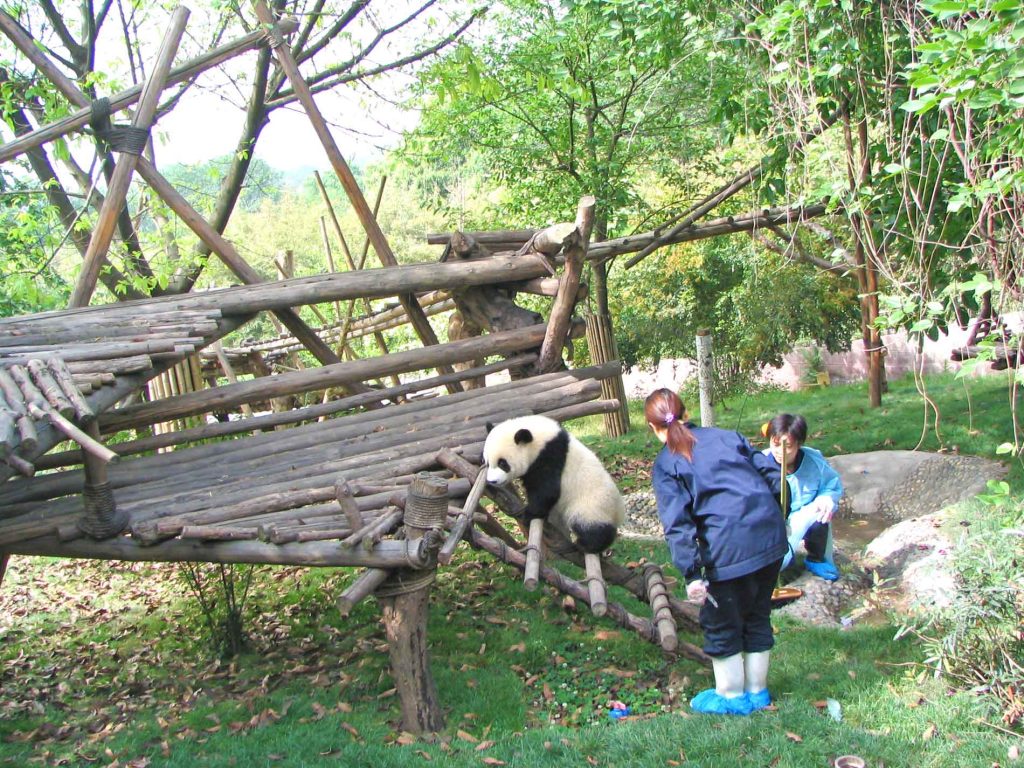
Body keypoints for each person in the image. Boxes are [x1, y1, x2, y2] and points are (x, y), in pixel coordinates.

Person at [645, 388, 788, 716]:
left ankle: (731, 697)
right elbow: (773, 478)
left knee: (721, 622)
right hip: (770, 538)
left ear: (653, 428)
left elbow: (677, 523)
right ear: (685, 412)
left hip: (728, 551)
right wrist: (782, 517)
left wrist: (692, 573)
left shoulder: (667, 463)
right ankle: (758, 692)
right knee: (757, 613)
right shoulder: (728, 436)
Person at [762, 414, 844, 582]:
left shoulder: (814, 461)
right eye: (775, 445)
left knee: (821, 511)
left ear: (799, 444)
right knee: (778, 564)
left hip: (808, 515)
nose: (780, 451)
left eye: (787, 446)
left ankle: (816, 558)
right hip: (773, 524)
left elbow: (831, 486)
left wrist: (827, 498)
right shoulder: (760, 463)